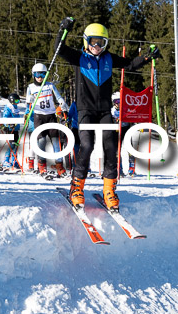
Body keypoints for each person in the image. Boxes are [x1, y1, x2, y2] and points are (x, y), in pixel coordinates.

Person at [56, 19, 159, 210]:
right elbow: (59, 50)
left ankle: (109, 189)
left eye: (101, 42)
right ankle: (76, 187)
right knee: (86, 146)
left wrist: (147, 57)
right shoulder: (79, 58)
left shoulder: (108, 58)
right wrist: (63, 30)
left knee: (111, 146)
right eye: (94, 41)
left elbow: (129, 65)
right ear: (86, 41)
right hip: (85, 111)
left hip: (104, 111)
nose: (97, 46)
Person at [25, 63, 69, 176]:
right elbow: (27, 105)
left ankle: (59, 166)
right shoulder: (31, 87)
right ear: (33, 75)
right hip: (39, 117)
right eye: (37, 74)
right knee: (41, 141)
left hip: (51, 116)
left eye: (43, 74)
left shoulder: (50, 85)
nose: (40, 77)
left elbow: (58, 96)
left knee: (55, 141)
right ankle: (42, 166)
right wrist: (27, 111)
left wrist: (62, 102)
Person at [112, 91, 136, 177]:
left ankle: (132, 168)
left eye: (120, 101)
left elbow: (132, 116)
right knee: (117, 150)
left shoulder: (126, 108)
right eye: (116, 101)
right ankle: (119, 169)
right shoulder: (112, 110)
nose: (118, 103)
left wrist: (134, 123)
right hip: (117, 131)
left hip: (126, 129)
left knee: (130, 148)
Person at [0, 93, 24, 171]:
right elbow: (5, 118)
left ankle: (14, 161)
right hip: (10, 129)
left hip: (16, 129)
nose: (18, 102)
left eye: (18, 100)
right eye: (16, 100)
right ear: (12, 100)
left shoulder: (15, 107)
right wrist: (8, 124)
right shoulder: (8, 108)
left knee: (15, 145)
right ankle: (6, 161)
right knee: (11, 145)